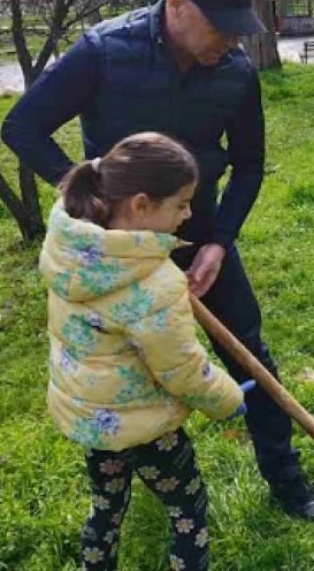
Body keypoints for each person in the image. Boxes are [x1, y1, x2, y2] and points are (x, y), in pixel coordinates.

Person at [1, 0, 314, 521]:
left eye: (239, 29)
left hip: (197, 233)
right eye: (222, 26)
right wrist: (88, 194)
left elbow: (249, 165)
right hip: (119, 251)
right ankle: (146, 482)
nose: (232, 40)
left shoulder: (235, 74)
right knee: (125, 368)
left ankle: (287, 480)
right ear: (176, 4)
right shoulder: (105, 52)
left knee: (249, 353)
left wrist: (219, 242)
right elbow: (22, 126)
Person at [40, 132, 249, 570]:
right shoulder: (152, 285)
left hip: (93, 420)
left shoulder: (71, 249)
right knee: (187, 509)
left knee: (106, 508)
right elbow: (182, 371)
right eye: (181, 204)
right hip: (148, 424)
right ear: (140, 205)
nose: (189, 214)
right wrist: (229, 399)